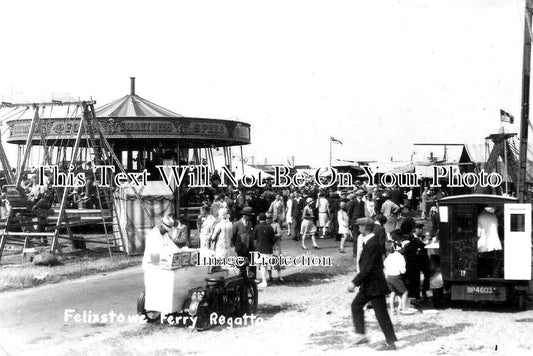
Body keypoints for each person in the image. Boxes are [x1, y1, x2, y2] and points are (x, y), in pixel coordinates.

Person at [348, 218, 398, 351]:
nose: (358, 228)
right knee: (356, 306)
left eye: (360, 226)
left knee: (381, 314)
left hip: (375, 285)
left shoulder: (372, 243)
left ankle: (391, 343)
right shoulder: (370, 241)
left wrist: (354, 282)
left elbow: (368, 268)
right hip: (369, 284)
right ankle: (361, 335)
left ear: (365, 227)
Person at [384, 240, 409, 315]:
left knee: (392, 293)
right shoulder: (401, 257)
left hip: (388, 277)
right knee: (404, 292)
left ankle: (392, 310)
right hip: (396, 277)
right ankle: (403, 308)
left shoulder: (389, 256)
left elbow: (384, 264)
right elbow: (403, 270)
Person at [253, 213, 277, 288]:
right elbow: (273, 239)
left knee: (262, 266)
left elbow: (254, 237)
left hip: (260, 249)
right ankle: (265, 280)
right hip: (268, 249)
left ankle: (264, 281)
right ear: (265, 219)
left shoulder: (257, 227)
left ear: (259, 219)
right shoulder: (270, 227)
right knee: (265, 265)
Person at [231, 207, 256, 277]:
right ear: (245, 215)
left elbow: (251, 233)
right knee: (242, 263)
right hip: (241, 246)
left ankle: (252, 277)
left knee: (252, 262)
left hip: (250, 246)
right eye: (249, 216)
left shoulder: (250, 223)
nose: (250, 217)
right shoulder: (237, 224)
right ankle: (243, 277)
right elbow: (233, 236)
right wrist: (235, 245)